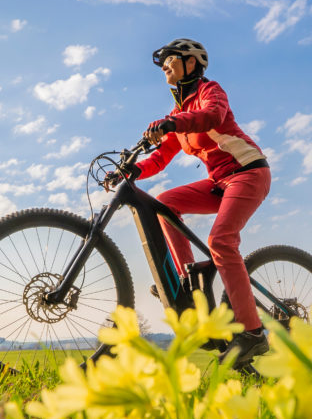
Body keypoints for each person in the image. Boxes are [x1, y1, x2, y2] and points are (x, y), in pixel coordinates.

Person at [114, 38, 272, 368]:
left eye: (171, 59)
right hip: (218, 182)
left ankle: (254, 334)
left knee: (220, 241)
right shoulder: (177, 114)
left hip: (248, 172)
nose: (164, 66)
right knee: (166, 202)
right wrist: (132, 170)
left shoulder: (210, 92)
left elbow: (211, 117)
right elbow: (160, 158)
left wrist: (173, 122)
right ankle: (186, 281)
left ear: (191, 63)